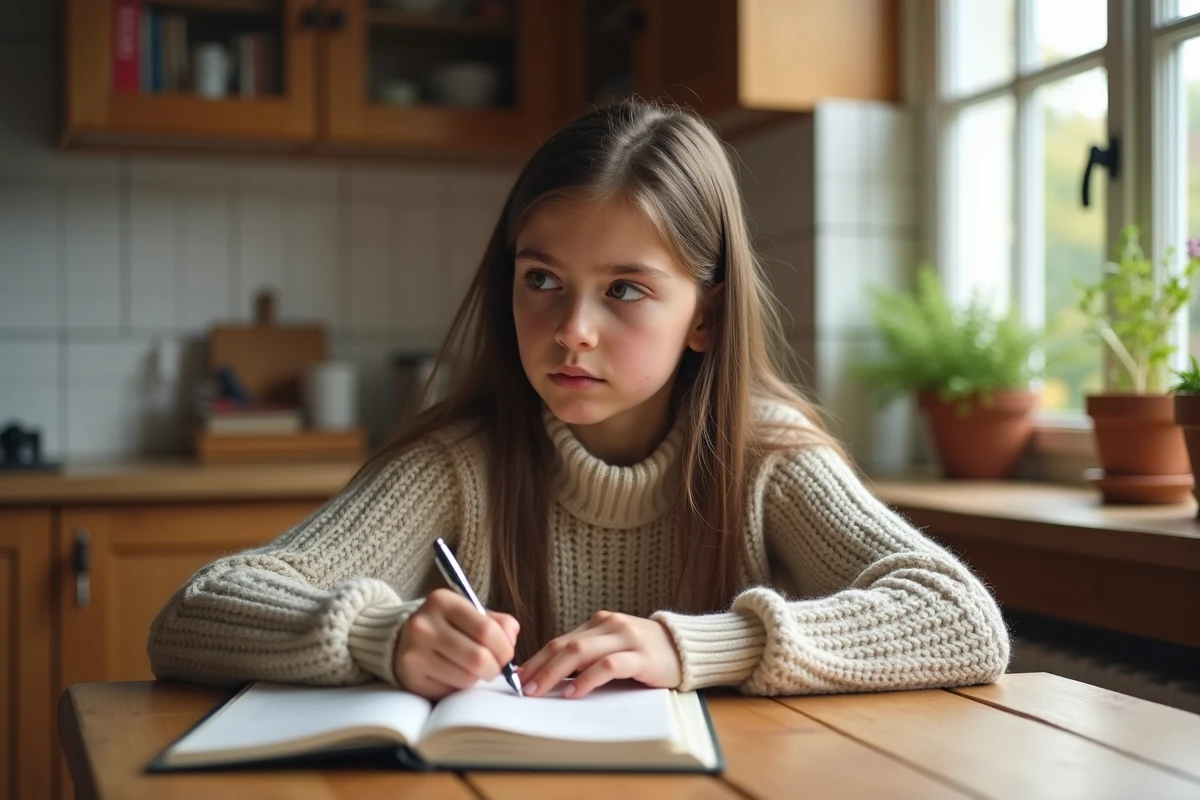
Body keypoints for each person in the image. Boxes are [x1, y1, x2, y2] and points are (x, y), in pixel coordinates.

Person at [148, 100, 1009, 701]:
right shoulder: (461, 465)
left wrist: (691, 647)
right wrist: (382, 635)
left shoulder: (767, 457)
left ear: (704, 317)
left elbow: (962, 620)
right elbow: (197, 614)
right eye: (542, 280)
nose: (571, 331)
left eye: (625, 290)